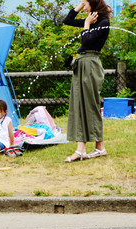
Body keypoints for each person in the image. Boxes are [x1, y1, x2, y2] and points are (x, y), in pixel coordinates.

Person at [63, 0, 111, 162]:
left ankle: (98, 147)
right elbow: (67, 21)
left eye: (85, 2)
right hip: (82, 63)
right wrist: (79, 8)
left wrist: (87, 24)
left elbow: (87, 40)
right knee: (79, 104)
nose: (83, 5)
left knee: (90, 104)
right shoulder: (91, 19)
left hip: (91, 64)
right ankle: (83, 148)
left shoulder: (103, 22)